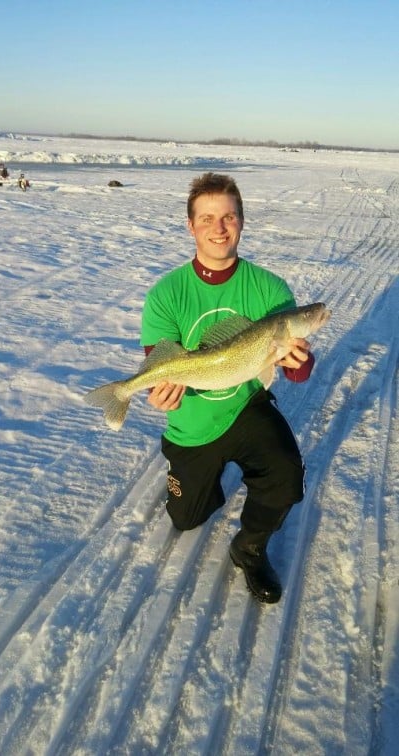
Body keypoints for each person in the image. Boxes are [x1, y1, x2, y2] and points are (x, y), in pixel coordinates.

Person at [140, 172, 315, 603]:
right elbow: (157, 362)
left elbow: (294, 368)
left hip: (244, 405)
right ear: (191, 225)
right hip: (192, 421)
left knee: (286, 476)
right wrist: (159, 389)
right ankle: (201, 476)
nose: (219, 228)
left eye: (229, 217)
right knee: (186, 517)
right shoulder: (166, 294)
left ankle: (250, 547)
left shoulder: (269, 288)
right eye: (208, 218)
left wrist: (300, 362)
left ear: (241, 221)